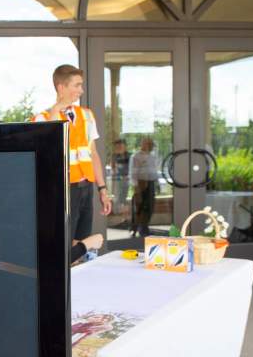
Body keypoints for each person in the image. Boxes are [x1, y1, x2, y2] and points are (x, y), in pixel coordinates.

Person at [31, 65, 111, 241]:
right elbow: (49, 149)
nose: (81, 90)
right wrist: (56, 110)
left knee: (82, 243)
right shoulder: (42, 118)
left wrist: (102, 189)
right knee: (64, 245)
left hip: (86, 188)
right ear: (61, 87)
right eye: (77, 85)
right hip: (63, 190)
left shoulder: (87, 115)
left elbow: (93, 154)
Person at [129, 137, 158, 237]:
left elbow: (154, 170)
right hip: (141, 183)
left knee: (149, 207)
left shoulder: (152, 156)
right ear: (142, 144)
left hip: (151, 183)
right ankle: (134, 228)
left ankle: (144, 228)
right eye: (147, 144)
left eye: (150, 144)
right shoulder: (136, 156)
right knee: (139, 207)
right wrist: (136, 187)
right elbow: (133, 172)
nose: (149, 146)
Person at [111, 139, 130, 225]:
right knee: (118, 200)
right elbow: (113, 169)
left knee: (123, 200)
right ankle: (122, 219)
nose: (119, 148)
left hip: (126, 181)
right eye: (117, 146)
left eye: (121, 146)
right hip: (118, 181)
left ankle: (125, 219)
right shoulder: (115, 156)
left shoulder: (129, 156)